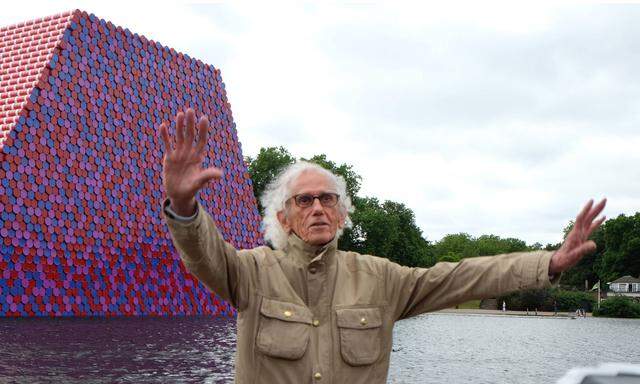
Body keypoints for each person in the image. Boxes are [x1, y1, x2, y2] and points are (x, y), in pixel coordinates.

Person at [159, 108, 607, 384]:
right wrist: (183, 202)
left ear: (341, 213)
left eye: (328, 198)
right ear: (283, 218)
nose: (318, 207)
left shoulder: (381, 278)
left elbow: (462, 275)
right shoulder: (249, 272)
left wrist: (548, 262)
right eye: (305, 200)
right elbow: (204, 252)